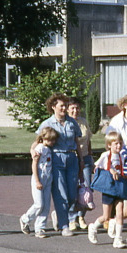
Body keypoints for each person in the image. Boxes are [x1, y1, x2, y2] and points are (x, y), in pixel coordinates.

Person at [36, 93, 83, 236]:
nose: (64, 108)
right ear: (53, 107)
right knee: (60, 193)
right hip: (56, 159)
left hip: (71, 158)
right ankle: (64, 226)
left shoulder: (72, 122)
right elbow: (38, 141)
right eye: (61, 105)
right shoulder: (47, 124)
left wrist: (81, 160)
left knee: (72, 195)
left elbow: (77, 142)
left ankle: (59, 214)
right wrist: (34, 151)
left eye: (65, 105)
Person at [87, 132, 127, 249]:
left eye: (120, 143)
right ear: (109, 145)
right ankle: (93, 227)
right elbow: (96, 167)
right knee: (106, 216)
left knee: (119, 212)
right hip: (109, 189)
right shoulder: (106, 155)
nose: (118, 146)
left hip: (118, 188)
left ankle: (118, 239)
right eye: (115, 144)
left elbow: (121, 171)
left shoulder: (121, 156)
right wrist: (110, 170)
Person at [20, 127, 59, 238]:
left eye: (53, 140)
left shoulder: (49, 149)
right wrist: (37, 180)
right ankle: (25, 219)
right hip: (39, 178)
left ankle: (40, 228)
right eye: (49, 140)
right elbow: (34, 165)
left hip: (48, 178)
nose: (52, 142)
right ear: (43, 139)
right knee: (39, 204)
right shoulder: (40, 148)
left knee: (46, 205)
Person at [67, 97, 93, 230]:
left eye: (77, 108)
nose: (75, 110)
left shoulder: (83, 122)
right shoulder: (66, 123)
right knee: (72, 189)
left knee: (87, 188)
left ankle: (81, 216)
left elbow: (88, 140)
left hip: (85, 158)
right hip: (72, 159)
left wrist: (90, 157)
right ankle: (72, 218)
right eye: (72, 108)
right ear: (67, 109)